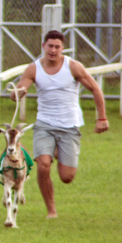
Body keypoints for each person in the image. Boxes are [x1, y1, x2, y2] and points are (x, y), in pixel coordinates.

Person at [10, 30, 108, 219]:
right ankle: (51, 211)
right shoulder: (34, 68)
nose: (53, 50)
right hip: (44, 124)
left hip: (69, 126)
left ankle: (57, 150)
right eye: (50, 46)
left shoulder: (73, 67)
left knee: (66, 177)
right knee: (43, 165)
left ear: (62, 49)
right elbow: (19, 89)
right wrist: (17, 93)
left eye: (57, 47)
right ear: (43, 47)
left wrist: (102, 118)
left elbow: (95, 89)